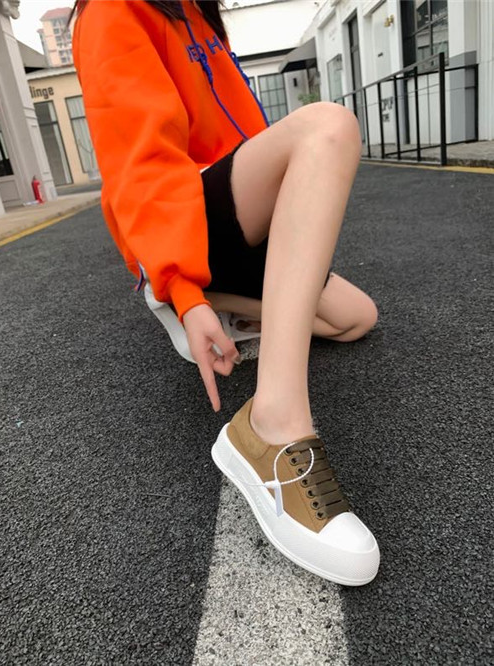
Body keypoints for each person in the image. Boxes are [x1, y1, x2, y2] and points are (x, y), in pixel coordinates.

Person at [70, 0, 380, 585]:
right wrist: (183, 287)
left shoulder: (196, 11)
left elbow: (245, 134)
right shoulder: (113, 9)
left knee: (356, 316)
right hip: (186, 215)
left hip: (235, 216)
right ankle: (271, 423)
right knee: (328, 125)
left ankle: (217, 301)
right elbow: (139, 162)